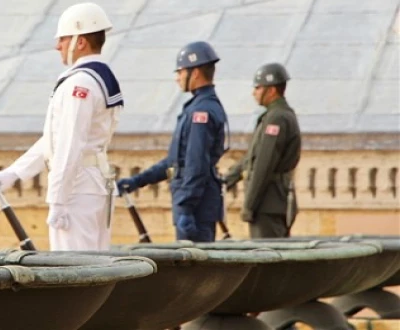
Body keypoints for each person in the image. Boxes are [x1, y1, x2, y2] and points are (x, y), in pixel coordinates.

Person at [0, 2, 124, 251]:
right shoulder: (98, 77)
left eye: (64, 39)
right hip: (89, 184)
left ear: (80, 42)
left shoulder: (80, 83)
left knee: (77, 272)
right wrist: (14, 173)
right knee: (94, 267)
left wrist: (58, 199)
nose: (58, 45)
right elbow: (55, 140)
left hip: (77, 188)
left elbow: (70, 144)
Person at [117, 41, 228, 242]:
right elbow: (174, 163)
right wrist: (137, 181)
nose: (177, 78)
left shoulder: (200, 112)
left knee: (195, 272)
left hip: (195, 210)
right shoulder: (197, 107)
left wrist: (185, 206)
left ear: (194, 73)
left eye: (180, 71)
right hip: (193, 207)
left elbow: (197, 165)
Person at [223, 62, 301, 238]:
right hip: (270, 202)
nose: (254, 92)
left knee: (267, 259)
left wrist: (249, 205)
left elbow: (263, 166)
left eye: (258, 88)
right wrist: (226, 180)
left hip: (268, 204)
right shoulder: (274, 116)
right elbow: (252, 157)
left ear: (271, 90)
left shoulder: (277, 118)